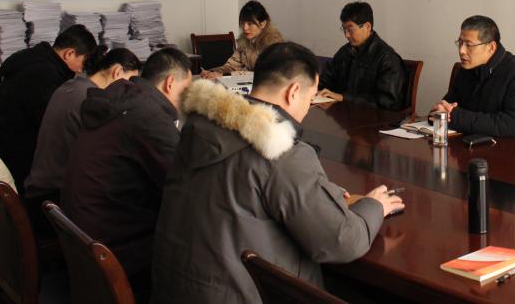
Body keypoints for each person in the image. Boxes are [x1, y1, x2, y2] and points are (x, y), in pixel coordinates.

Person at [151, 42, 403, 304]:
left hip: (174, 289)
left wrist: (324, 194)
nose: (308, 108)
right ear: (293, 92)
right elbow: (342, 241)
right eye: (310, 98)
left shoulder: (200, 128)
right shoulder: (278, 148)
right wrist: (374, 206)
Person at [61, 47, 192, 302]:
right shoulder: (149, 117)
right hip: (115, 251)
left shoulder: (123, 102)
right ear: (170, 83)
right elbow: (183, 187)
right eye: (186, 90)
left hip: (84, 239)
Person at [0, 24, 98, 191]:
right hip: (14, 158)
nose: (81, 70)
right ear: (69, 53)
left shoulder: (31, 58)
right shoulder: (45, 76)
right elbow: (53, 125)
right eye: (83, 62)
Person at [25, 46, 141, 199]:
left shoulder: (70, 86)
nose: (129, 90)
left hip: (41, 184)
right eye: (130, 82)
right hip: (59, 193)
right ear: (117, 71)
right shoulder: (93, 101)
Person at [432, 15, 515, 143]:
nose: (462, 51)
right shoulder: (466, 69)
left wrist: (455, 117)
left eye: (469, 45)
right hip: (480, 144)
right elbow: (447, 106)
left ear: (491, 47)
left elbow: (513, 124)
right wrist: (438, 113)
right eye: (460, 43)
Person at [317, 1, 406, 109]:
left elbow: (386, 102)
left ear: (367, 26)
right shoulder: (345, 52)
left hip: (374, 117)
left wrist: (343, 98)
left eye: (350, 29)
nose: (346, 35)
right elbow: (325, 80)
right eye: (344, 29)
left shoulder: (387, 58)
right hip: (344, 113)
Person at [201, 0, 285, 77]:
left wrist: (224, 75)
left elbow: (265, 74)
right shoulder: (245, 41)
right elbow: (232, 66)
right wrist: (211, 72)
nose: (245, 28)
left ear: (263, 23)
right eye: (242, 23)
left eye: (250, 24)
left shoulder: (274, 44)